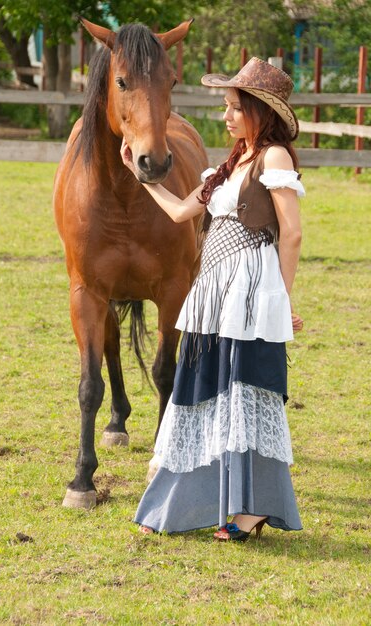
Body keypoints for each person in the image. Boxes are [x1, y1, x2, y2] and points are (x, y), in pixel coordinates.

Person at [120, 57, 305, 542]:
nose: (225, 117)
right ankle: (187, 502)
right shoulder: (229, 166)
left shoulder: (275, 159)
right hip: (213, 294)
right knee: (205, 391)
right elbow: (183, 211)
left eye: (232, 107)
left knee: (246, 394)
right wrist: (145, 180)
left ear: (258, 112)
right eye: (225, 107)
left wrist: (279, 302)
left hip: (249, 292)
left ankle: (251, 510)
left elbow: (292, 235)